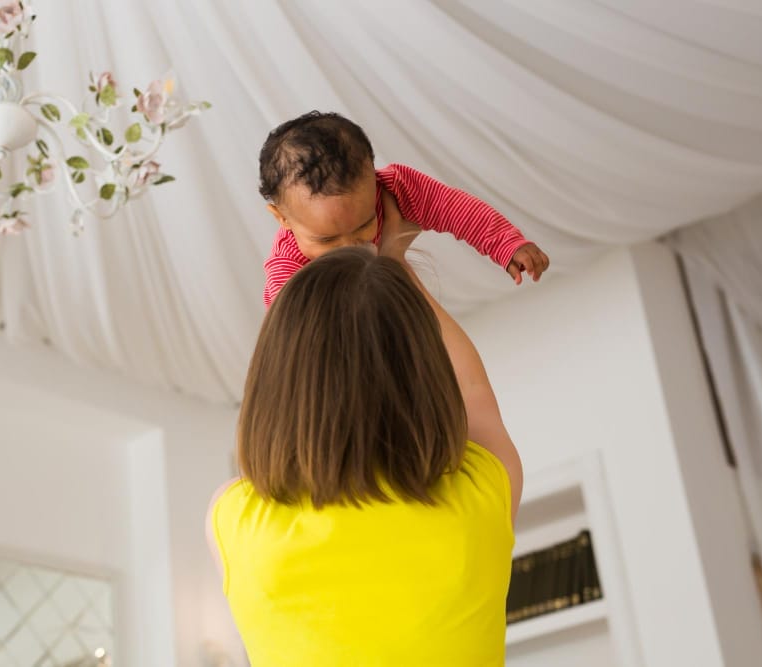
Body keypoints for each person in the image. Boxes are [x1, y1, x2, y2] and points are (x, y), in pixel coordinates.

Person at [207, 238, 524, 665]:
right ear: (424, 371)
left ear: (278, 381)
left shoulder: (234, 519)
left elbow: (271, 429)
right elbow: (474, 392)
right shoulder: (480, 497)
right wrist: (394, 259)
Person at [259, 110, 549, 308]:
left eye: (363, 226)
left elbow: (456, 209)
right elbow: (289, 327)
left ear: (374, 179)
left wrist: (507, 244)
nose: (350, 247)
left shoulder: (395, 187)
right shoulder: (287, 268)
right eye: (326, 240)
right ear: (282, 218)